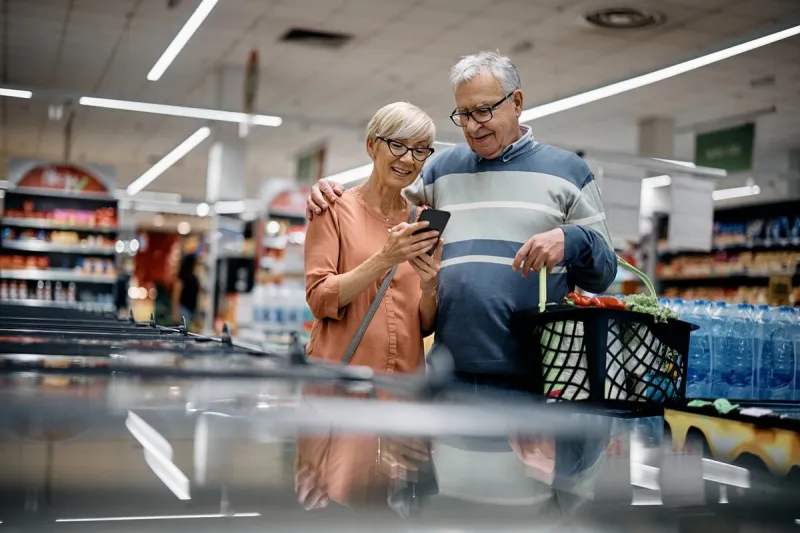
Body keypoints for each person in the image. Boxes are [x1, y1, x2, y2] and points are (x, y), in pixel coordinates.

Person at [305, 51, 617, 381]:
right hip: (450, 375)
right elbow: (382, 197)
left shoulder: (569, 172)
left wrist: (573, 240)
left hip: (536, 377)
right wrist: (328, 191)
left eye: (483, 111)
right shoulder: (441, 170)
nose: (472, 125)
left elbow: (604, 273)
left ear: (517, 102)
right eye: (463, 114)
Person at [296, 101, 442, 510]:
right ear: (371, 146)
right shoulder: (333, 211)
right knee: (342, 508)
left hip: (404, 398)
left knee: (395, 514)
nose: (408, 159)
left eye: (420, 150)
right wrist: (384, 258)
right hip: (342, 394)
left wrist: (430, 285)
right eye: (398, 145)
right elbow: (319, 298)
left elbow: (425, 324)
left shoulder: (425, 221)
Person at [172, 253, 199, 324]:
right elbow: (176, 296)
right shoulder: (182, 278)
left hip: (191, 310)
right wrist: (175, 313)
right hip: (183, 310)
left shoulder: (194, 278)